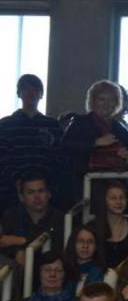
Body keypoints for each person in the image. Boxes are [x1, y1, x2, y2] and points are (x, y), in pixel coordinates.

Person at [61, 80, 128, 200]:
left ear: (117, 104)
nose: (106, 104)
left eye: (111, 100)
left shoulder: (122, 131)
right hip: (83, 186)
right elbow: (66, 147)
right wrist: (94, 142)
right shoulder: (80, 122)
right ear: (93, 101)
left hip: (116, 188)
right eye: (102, 99)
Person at [0, 74, 66, 211]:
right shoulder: (6, 125)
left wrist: (49, 182)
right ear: (19, 93)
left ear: (41, 94)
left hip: (46, 190)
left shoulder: (52, 125)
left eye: (35, 89)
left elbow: (59, 157)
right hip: (12, 191)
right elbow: (3, 158)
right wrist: (16, 181)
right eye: (26, 89)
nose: (31, 93)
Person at [1, 172, 64, 265]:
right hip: (16, 269)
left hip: (50, 269)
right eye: (30, 192)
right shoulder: (11, 215)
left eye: (41, 191)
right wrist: (16, 252)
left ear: (49, 194)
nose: (37, 197)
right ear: (21, 197)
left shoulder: (61, 218)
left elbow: (55, 249)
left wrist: (21, 241)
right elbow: (3, 242)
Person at [93, 180, 128, 269]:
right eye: (113, 198)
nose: (119, 202)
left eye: (122, 197)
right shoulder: (92, 228)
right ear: (104, 201)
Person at [63, 225, 118, 294]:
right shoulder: (63, 273)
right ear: (73, 244)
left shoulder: (108, 275)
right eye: (80, 241)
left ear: (96, 246)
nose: (85, 246)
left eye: (90, 242)